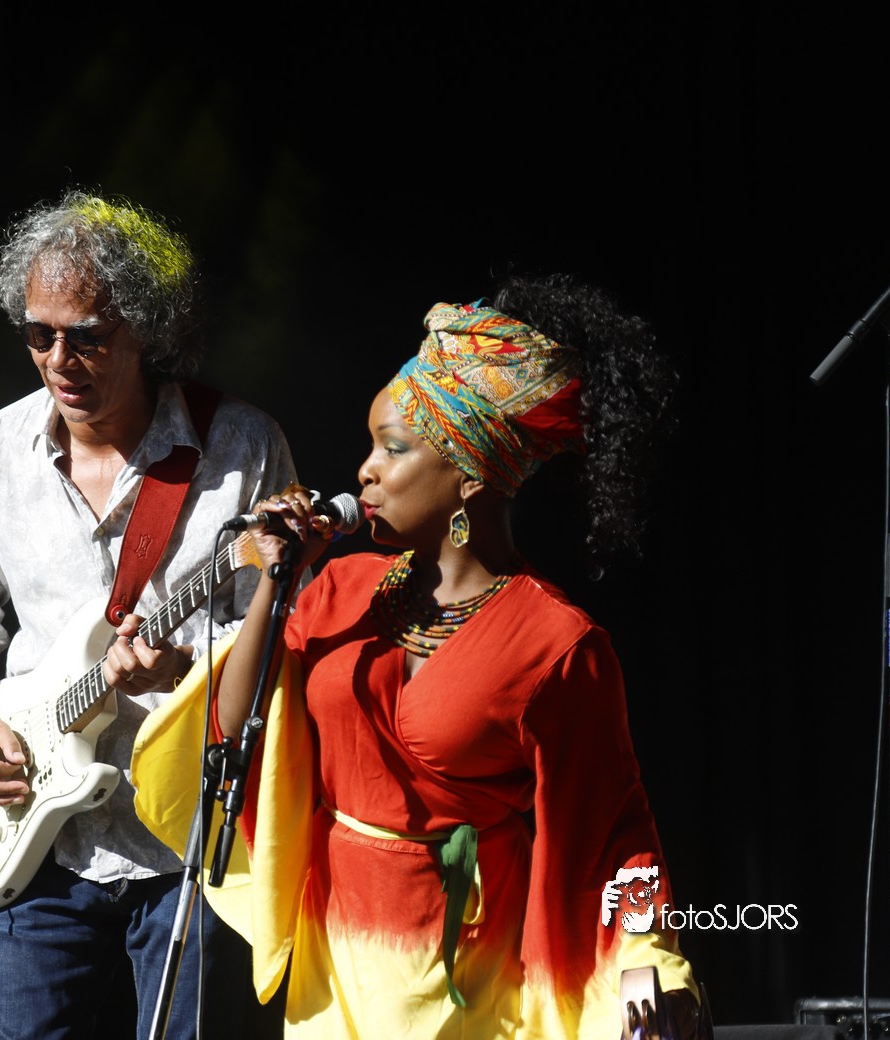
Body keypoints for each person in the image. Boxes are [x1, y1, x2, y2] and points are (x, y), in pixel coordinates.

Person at [131, 274, 711, 1038]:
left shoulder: (557, 644)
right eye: (372, 445)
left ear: (469, 474)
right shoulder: (340, 590)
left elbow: (616, 833)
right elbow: (230, 730)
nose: (365, 469)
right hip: (333, 973)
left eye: (393, 447)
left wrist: (648, 963)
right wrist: (278, 578)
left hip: (469, 981)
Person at [0, 189, 301, 1039]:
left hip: (189, 840)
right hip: (39, 838)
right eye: (38, 334)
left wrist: (186, 672)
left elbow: (281, 638)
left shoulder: (240, 449)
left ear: (146, 330)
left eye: (87, 337)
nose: (59, 359)